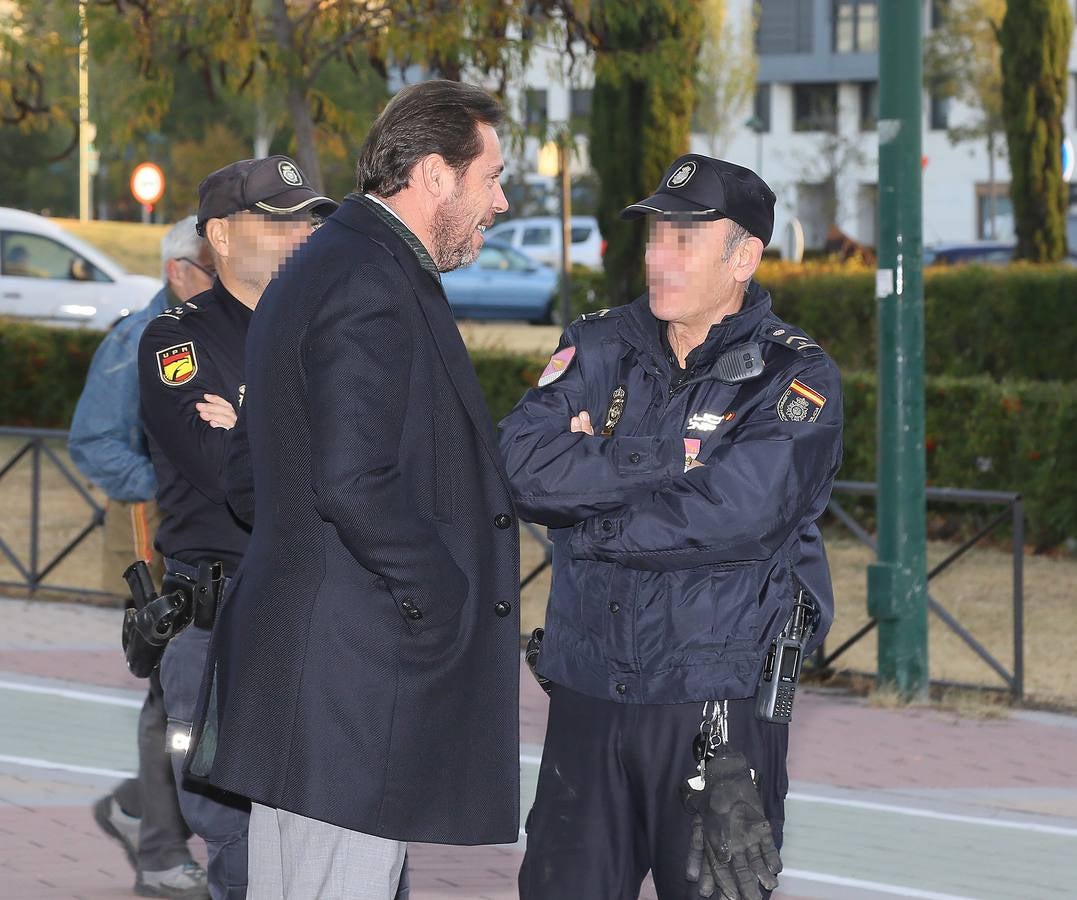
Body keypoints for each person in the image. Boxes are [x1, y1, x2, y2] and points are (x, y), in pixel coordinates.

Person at [186, 79, 521, 897]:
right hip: (354, 678)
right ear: (435, 175)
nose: (502, 201)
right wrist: (437, 596)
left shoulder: (326, 262)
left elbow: (255, 474)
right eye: (491, 176)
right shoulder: (368, 278)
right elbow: (352, 476)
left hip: (317, 664)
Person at [500, 154, 844, 900]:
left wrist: (587, 508)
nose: (658, 257)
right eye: (655, 237)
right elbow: (522, 467)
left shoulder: (791, 377)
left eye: (684, 240)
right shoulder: (597, 344)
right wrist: (665, 459)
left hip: (714, 716)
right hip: (586, 702)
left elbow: (736, 515)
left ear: (744, 256)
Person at [136, 156, 335, 900]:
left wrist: (249, 422)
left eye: (307, 219)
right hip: (218, 631)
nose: (300, 234)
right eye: (278, 220)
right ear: (219, 235)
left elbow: (376, 467)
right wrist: (296, 436)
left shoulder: (327, 335)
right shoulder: (177, 341)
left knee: (352, 834)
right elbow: (230, 476)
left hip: (320, 618)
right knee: (244, 850)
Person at [69, 215, 213, 900]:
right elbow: (94, 442)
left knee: (192, 692)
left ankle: (135, 805)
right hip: (160, 546)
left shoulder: (213, 329)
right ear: (178, 269)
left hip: (209, 543)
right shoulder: (137, 340)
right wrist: (170, 484)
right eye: (213, 267)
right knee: (170, 695)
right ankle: (159, 850)